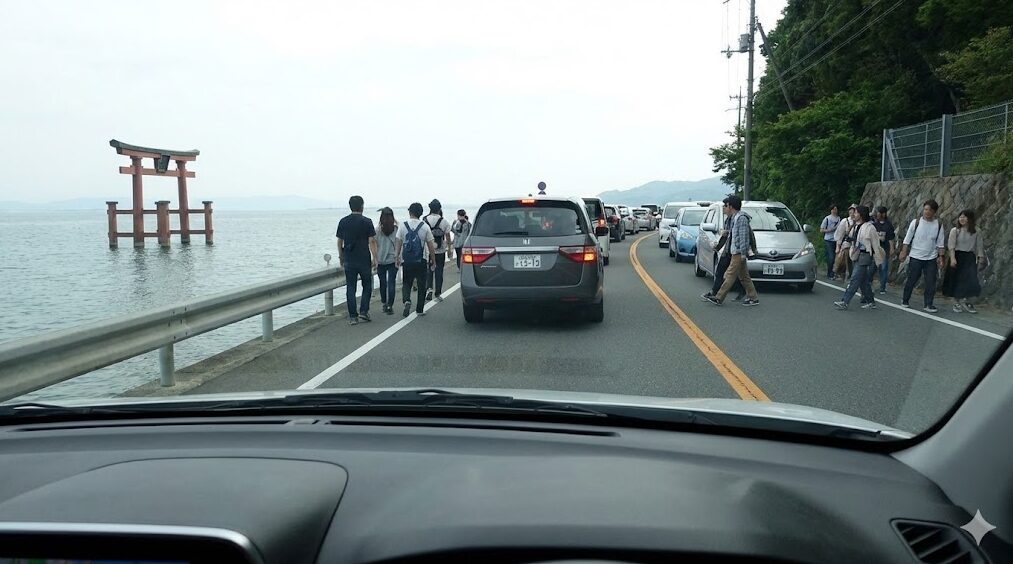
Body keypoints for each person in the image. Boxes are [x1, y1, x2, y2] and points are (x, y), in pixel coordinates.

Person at [703, 196, 759, 306]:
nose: (725, 208)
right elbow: (735, 234)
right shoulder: (734, 217)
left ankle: (719, 297)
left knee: (730, 275)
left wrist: (743, 254)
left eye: (726, 206)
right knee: (744, 276)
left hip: (738, 252)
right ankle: (753, 297)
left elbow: (744, 237)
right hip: (735, 251)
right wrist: (726, 232)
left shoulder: (741, 218)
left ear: (731, 206)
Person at [899, 199, 947, 313]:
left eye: (930, 210)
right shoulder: (916, 222)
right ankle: (905, 300)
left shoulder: (938, 224)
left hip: (931, 257)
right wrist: (903, 252)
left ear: (934, 212)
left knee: (931, 281)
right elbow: (907, 239)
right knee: (912, 279)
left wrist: (941, 257)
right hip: (916, 256)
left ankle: (928, 304)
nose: (927, 212)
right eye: (925, 209)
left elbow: (940, 243)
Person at [335, 195, 378, 325]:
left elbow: (339, 241)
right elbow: (371, 241)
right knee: (367, 286)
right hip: (364, 259)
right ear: (362, 206)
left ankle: (353, 317)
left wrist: (341, 256)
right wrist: (375, 257)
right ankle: (364, 311)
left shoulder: (343, 221)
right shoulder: (367, 221)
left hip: (349, 258)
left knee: (351, 287)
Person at [833, 206, 885, 310]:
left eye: (856, 213)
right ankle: (871, 301)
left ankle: (845, 301)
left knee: (855, 279)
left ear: (861, 214)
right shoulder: (855, 226)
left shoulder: (870, 227)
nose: (854, 215)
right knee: (863, 281)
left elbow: (875, 244)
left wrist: (878, 260)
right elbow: (853, 240)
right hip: (855, 254)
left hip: (865, 256)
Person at [396, 202, 437, 317]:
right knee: (421, 284)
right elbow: (430, 245)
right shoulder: (424, 226)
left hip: (407, 260)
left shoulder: (403, 225)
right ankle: (419, 309)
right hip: (421, 260)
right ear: (421, 213)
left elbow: (398, 242)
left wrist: (397, 257)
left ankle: (407, 300)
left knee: (407, 283)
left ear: (410, 212)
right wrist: (433, 260)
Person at [942, 209, 985, 314]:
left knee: (969, 280)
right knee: (955, 279)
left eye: (964, 217)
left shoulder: (976, 231)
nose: (962, 219)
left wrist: (981, 258)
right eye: (960, 217)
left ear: (970, 218)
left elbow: (979, 246)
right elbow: (951, 246)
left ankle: (966, 301)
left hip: (969, 257)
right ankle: (956, 301)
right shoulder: (955, 230)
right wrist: (952, 258)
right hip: (957, 256)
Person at [423, 199, 453, 302]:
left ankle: (429, 289)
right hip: (440, 251)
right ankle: (438, 293)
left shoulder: (424, 220)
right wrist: (449, 249)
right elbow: (448, 236)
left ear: (430, 208)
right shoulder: (444, 221)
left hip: (428, 251)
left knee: (429, 271)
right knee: (439, 271)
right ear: (440, 208)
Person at [375, 207, 399, 315]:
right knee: (391, 282)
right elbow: (400, 243)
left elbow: (373, 244)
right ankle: (390, 305)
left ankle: (384, 303)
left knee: (382, 282)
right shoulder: (396, 229)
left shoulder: (377, 230)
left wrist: (374, 258)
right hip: (393, 259)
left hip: (380, 260)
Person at [870, 206, 895, 294]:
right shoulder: (874, 225)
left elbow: (891, 238)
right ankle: (869, 284)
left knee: (883, 268)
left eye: (878, 213)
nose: (877, 214)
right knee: (872, 267)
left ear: (883, 214)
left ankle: (882, 287)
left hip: (884, 249)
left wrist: (892, 248)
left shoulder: (888, 225)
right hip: (875, 249)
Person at [833, 204, 858, 280]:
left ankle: (853, 275)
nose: (851, 212)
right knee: (845, 258)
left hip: (856, 243)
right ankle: (846, 273)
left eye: (853, 211)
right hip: (847, 242)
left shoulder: (859, 221)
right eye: (850, 210)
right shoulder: (845, 221)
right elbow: (840, 233)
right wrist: (838, 245)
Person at [819, 204, 841, 280]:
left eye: (836, 209)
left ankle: (833, 272)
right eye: (834, 209)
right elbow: (821, 230)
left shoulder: (839, 219)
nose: (835, 210)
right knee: (831, 257)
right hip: (828, 240)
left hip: (836, 239)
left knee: (836, 257)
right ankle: (829, 273)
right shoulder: (827, 218)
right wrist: (829, 230)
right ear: (831, 210)